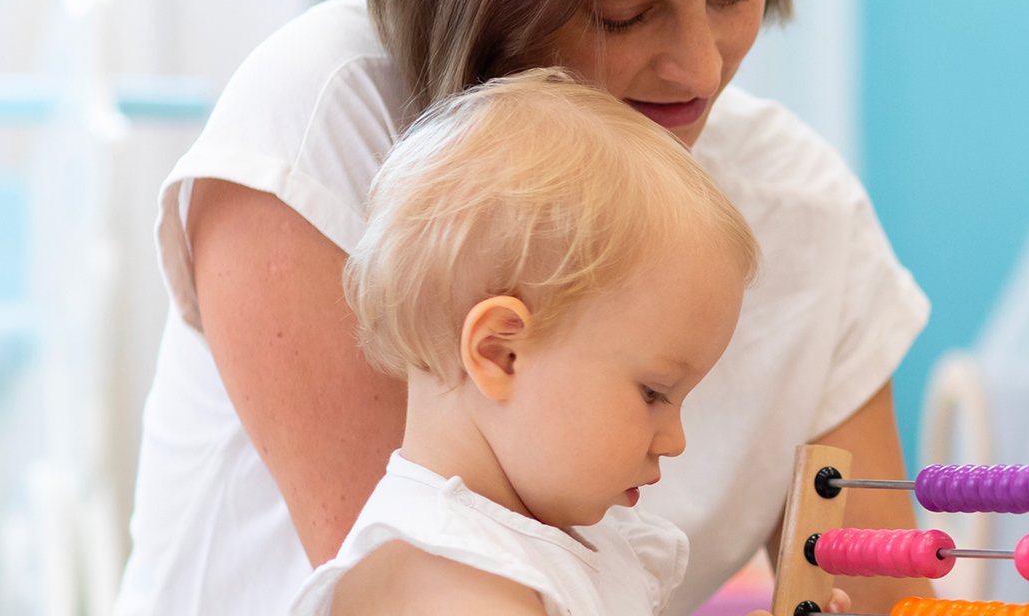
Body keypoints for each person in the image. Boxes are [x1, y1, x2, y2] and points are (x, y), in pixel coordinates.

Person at [116, 0, 930, 613]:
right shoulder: (330, 112)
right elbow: (434, 575)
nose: (700, 68)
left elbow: (884, 597)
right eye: (622, 13)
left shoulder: (803, 210)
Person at [291, 69, 758, 614]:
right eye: (654, 393)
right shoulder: (441, 578)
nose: (674, 440)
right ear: (500, 354)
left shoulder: (541, 546)